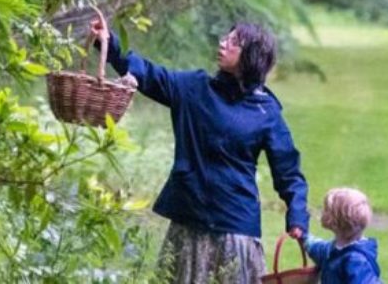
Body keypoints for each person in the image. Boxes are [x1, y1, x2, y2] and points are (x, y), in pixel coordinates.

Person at [90, 18, 309, 283]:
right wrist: (110, 44)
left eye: (234, 42)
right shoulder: (194, 88)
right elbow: (148, 73)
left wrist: (297, 216)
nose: (223, 43)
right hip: (188, 222)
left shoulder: (267, 111)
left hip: (235, 230)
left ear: (250, 57)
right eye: (225, 37)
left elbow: (289, 173)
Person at [304, 188, 381, 284]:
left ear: (336, 221)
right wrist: (304, 236)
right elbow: (319, 249)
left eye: (327, 210)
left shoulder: (356, 261)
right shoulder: (335, 249)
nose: (322, 212)